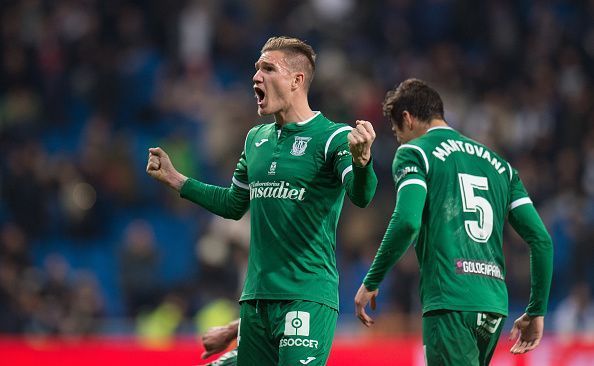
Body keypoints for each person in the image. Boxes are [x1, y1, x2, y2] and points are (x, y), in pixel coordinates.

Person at [147, 36, 377, 366]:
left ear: (297, 80)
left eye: (268, 69)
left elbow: (361, 195)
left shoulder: (333, 138)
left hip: (305, 297)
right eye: (256, 68)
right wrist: (176, 179)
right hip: (255, 301)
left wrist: (362, 162)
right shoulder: (256, 139)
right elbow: (233, 204)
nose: (256, 76)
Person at [354, 79, 553, 365]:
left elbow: (407, 221)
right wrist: (536, 310)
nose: (401, 140)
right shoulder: (501, 166)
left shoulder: (415, 152)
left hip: (450, 301)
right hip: (493, 305)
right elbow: (541, 241)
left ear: (407, 119)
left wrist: (371, 280)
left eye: (398, 133)